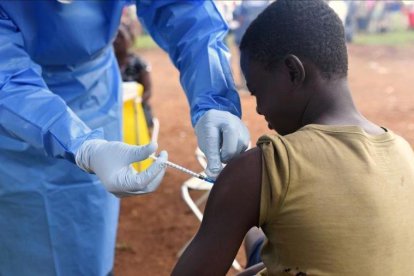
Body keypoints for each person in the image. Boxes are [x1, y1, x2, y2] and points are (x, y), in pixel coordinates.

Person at [0, 0, 249, 275]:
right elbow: (6, 80)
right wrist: (82, 146)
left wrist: (214, 97)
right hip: (11, 120)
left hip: (93, 93)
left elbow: (184, 10)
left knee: (85, 234)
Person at [172, 0, 414, 275]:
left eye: (257, 92)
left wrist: (233, 185)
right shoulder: (402, 151)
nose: (260, 108)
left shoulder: (270, 165)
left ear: (292, 71)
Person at [114, 24, 154, 128]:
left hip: (136, 110)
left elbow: (148, 91)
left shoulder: (139, 64)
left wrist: (134, 103)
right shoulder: (108, 66)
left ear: (130, 39)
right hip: (113, 111)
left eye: (121, 36)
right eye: (114, 37)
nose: (117, 41)